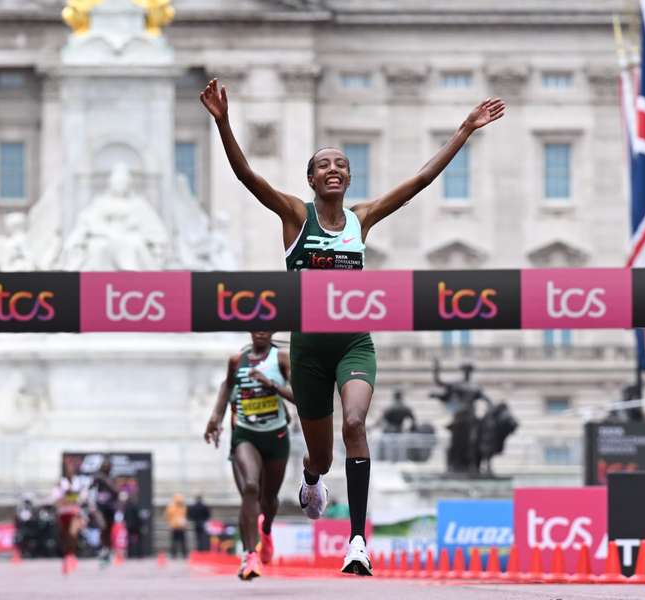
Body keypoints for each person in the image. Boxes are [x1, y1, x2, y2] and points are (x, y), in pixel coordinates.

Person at [201, 78, 505, 575]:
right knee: (320, 456)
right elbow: (246, 176)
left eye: (342, 164)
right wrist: (223, 123)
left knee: (356, 423)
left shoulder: (361, 220)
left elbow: (421, 181)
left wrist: (465, 130)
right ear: (312, 180)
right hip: (308, 353)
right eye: (325, 165)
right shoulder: (295, 217)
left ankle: (358, 541)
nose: (335, 169)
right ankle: (313, 477)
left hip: (354, 344)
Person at [204, 331, 293, 580]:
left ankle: (265, 529)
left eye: (266, 328)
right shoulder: (237, 361)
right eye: (256, 328)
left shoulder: (282, 359)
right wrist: (215, 417)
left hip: (275, 437)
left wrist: (271, 384)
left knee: (269, 499)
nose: (261, 332)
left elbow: (300, 398)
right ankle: (249, 556)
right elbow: (227, 386)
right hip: (245, 435)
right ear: (250, 331)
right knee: (250, 488)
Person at [89, 458, 118, 566]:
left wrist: (105, 480)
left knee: (108, 530)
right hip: (100, 507)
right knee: (102, 526)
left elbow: (116, 491)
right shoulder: (98, 477)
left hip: (110, 507)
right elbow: (90, 487)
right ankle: (103, 548)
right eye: (105, 466)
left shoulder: (111, 478)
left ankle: (107, 549)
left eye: (108, 467)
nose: (106, 468)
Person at [165, 493, 189, 558]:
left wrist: (170, 523)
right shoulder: (183, 507)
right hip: (181, 526)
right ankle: (184, 554)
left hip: (174, 526)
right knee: (182, 542)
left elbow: (167, 516)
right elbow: (185, 516)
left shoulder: (171, 507)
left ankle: (174, 554)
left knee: (174, 541)